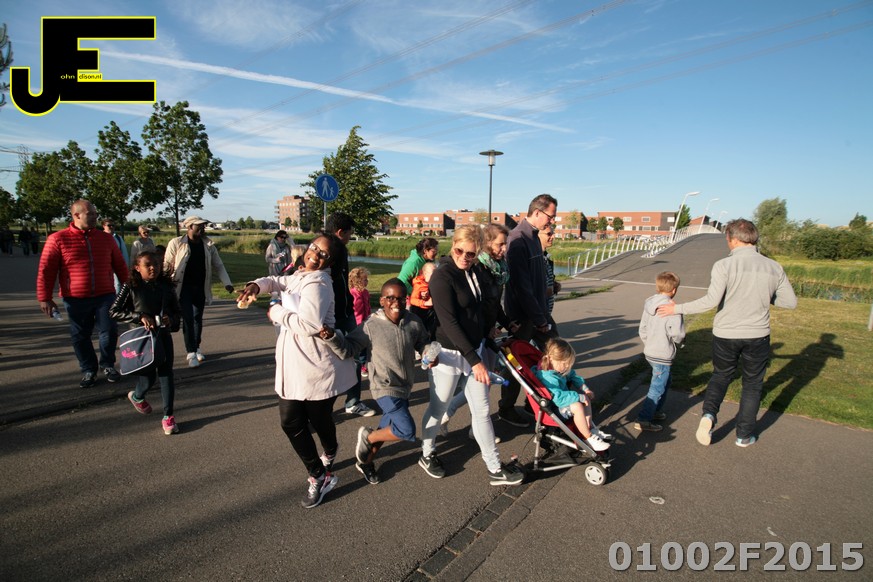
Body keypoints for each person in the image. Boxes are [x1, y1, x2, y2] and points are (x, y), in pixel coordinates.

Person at [236, 234, 356, 508]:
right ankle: (319, 475)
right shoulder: (302, 274)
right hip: (293, 362)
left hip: (316, 366)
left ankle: (330, 450)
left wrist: (276, 312)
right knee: (291, 422)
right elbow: (277, 281)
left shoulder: (320, 283)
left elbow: (309, 325)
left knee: (319, 419)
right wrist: (256, 285)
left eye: (323, 254)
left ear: (331, 262)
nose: (315, 254)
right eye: (314, 247)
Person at [657, 219, 798, 447]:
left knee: (721, 375)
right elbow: (790, 302)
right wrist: (764, 295)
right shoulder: (773, 267)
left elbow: (711, 301)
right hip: (757, 334)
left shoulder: (723, 265)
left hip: (726, 333)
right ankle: (744, 435)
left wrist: (677, 308)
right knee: (752, 385)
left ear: (732, 239)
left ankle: (709, 414)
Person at [418, 225, 524, 486]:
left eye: (471, 254)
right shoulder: (442, 277)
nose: (464, 257)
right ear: (453, 245)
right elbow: (449, 323)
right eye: (459, 251)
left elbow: (485, 306)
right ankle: (427, 453)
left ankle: (494, 467)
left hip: (474, 349)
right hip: (448, 353)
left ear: (478, 253)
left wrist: (500, 325)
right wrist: (475, 361)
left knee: (482, 410)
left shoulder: (475, 271)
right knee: (439, 406)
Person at [320, 278, 432, 485]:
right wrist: (331, 337)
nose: (396, 303)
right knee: (406, 430)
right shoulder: (371, 326)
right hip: (384, 386)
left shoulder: (414, 322)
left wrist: (428, 353)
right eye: (390, 298)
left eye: (401, 298)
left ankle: (365, 461)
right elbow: (347, 349)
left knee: (386, 427)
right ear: (382, 301)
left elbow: (423, 343)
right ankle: (368, 437)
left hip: (404, 385)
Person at [36, 199, 128, 388]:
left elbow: (120, 266)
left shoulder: (106, 239)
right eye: (90, 214)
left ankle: (107, 364)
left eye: (95, 214)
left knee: (109, 330)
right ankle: (88, 369)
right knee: (80, 335)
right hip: (75, 298)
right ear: (76, 215)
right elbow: (46, 270)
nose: (95, 217)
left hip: (105, 295)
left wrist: (131, 291)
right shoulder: (58, 239)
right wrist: (44, 298)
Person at [439, 223, 518, 440]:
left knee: (482, 385)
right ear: (487, 243)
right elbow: (475, 307)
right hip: (478, 335)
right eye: (500, 244)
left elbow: (494, 303)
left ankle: (463, 421)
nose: (504, 249)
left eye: (505, 244)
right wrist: (487, 328)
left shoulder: (498, 269)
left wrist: (507, 322)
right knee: (480, 385)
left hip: (488, 333)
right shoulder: (479, 268)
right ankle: (470, 426)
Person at [499, 193, 560, 427]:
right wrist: (539, 319)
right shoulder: (517, 239)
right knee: (517, 362)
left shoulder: (534, 237)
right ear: (537, 212)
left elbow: (535, 281)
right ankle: (506, 408)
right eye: (550, 216)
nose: (552, 221)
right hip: (524, 316)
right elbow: (522, 287)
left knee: (554, 354)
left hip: (539, 312)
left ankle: (535, 400)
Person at [110, 251, 182, 436]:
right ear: (137, 267)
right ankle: (137, 395)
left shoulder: (166, 286)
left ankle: (168, 416)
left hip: (162, 336)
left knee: (166, 374)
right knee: (148, 377)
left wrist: (170, 320)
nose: (153, 268)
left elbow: (177, 313)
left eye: (156, 264)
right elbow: (114, 311)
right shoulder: (130, 287)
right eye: (148, 265)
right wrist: (139, 316)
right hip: (141, 339)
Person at [163, 216, 234, 368]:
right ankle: (191, 352)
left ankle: (196, 346)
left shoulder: (208, 245)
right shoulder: (176, 243)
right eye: (199, 226)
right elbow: (167, 265)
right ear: (189, 227)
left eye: (203, 226)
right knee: (188, 318)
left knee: (197, 318)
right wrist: (164, 284)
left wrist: (227, 283)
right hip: (183, 287)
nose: (202, 229)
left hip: (200, 287)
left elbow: (218, 265)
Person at [324, 212, 375, 417]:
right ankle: (321, 408)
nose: (350, 237)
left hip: (346, 314)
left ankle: (353, 402)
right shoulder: (324, 253)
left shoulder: (341, 251)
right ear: (340, 232)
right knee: (329, 363)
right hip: (331, 317)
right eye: (349, 233)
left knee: (355, 357)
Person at [533, 338, 611, 452]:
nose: (567, 367)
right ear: (551, 359)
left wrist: (585, 390)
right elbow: (558, 398)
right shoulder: (548, 377)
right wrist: (579, 396)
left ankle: (590, 428)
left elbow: (573, 376)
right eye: (565, 364)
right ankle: (587, 437)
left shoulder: (557, 368)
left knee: (585, 399)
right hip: (553, 409)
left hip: (561, 403)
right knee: (578, 405)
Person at [634, 271, 686, 432]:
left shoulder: (649, 305)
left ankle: (655, 411)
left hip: (650, 351)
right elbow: (678, 334)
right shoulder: (673, 309)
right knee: (657, 387)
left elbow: (643, 328)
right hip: (662, 353)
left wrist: (649, 342)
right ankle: (644, 419)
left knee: (665, 381)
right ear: (674, 290)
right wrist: (679, 343)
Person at [348, 267, 371, 378]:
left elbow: (368, 306)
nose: (367, 281)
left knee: (367, 345)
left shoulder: (365, 292)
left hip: (366, 321)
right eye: (365, 279)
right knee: (360, 346)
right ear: (358, 281)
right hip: (357, 323)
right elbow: (355, 309)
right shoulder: (353, 293)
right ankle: (361, 365)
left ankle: (365, 363)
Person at [409, 261, 437, 341]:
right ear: (425, 273)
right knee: (419, 329)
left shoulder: (431, 282)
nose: (435, 276)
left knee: (431, 329)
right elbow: (412, 300)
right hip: (419, 311)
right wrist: (425, 303)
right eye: (433, 273)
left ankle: (430, 341)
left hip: (430, 311)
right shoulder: (419, 285)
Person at [102, 219, 130, 293]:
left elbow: (124, 253)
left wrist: (126, 266)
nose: (111, 227)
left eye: (113, 225)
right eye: (109, 225)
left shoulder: (118, 238)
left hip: (116, 267)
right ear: (103, 226)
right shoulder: (99, 237)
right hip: (103, 268)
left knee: (117, 285)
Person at [538, 226, 561, 315]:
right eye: (549, 234)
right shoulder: (534, 258)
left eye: (553, 233)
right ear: (537, 235)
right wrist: (545, 290)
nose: (553, 236)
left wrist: (553, 284)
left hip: (546, 310)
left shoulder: (545, 257)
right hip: (538, 312)